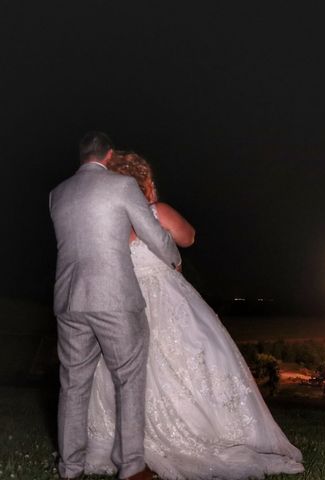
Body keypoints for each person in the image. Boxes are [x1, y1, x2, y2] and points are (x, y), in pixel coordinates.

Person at [84, 152, 304, 480]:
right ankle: (202, 434)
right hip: (164, 298)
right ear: (144, 181)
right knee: (196, 357)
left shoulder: (105, 221)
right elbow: (188, 237)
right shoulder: (156, 212)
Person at [49, 132, 181, 480]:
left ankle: (70, 468)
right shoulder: (122, 187)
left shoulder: (57, 194)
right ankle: (131, 467)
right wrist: (174, 259)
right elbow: (153, 233)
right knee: (128, 381)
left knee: (73, 385)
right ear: (108, 155)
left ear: (82, 157)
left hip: (69, 300)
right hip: (115, 298)